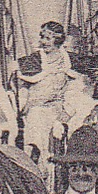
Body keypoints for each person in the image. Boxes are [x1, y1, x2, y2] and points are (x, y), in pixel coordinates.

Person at [16, 21, 82, 161]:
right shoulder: (36, 59)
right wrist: (24, 102)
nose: (43, 42)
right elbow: (22, 84)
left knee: (75, 123)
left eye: (48, 38)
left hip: (60, 106)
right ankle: (38, 161)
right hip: (38, 106)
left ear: (57, 40)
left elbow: (75, 87)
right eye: (42, 37)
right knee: (37, 123)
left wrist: (68, 110)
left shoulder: (67, 59)